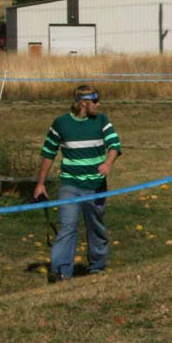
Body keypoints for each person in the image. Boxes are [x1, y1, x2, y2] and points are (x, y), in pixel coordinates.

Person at [34, 84, 123, 281]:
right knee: (67, 226)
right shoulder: (61, 124)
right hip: (70, 185)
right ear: (83, 103)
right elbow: (49, 153)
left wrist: (108, 163)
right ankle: (61, 272)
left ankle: (97, 267)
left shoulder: (102, 121)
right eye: (95, 101)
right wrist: (40, 183)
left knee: (96, 227)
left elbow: (115, 145)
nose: (99, 105)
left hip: (96, 186)